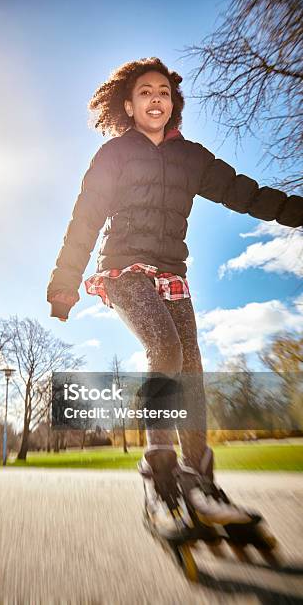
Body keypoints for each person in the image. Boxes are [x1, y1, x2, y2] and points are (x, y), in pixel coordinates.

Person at [46, 57, 302, 537]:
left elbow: (249, 194)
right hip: (122, 270)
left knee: (192, 369)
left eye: (163, 91)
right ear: (128, 104)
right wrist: (64, 283)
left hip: (171, 276)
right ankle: (160, 481)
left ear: (173, 103)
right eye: (145, 92)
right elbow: (85, 216)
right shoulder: (114, 155)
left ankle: (200, 484)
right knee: (164, 349)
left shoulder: (193, 158)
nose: (155, 98)